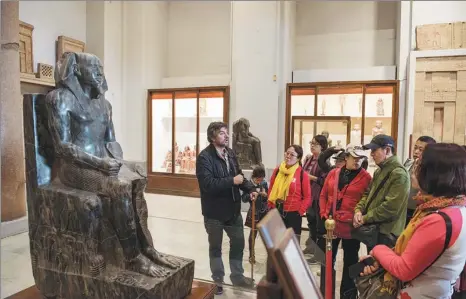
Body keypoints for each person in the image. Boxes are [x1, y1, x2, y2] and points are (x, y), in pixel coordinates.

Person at [360, 143, 466, 299]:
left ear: (435, 173)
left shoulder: (439, 220)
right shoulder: (453, 208)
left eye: (420, 165)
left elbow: (404, 269)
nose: (414, 170)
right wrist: (385, 258)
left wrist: (378, 250)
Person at [196, 122, 258, 294]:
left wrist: (250, 189)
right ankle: (218, 281)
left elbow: (239, 175)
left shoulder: (230, 153)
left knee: (238, 243)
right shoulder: (204, 158)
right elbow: (207, 184)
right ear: (212, 136)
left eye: (226, 133)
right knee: (215, 248)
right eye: (222, 133)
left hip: (233, 211)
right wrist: (231, 181)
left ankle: (237, 276)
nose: (227, 136)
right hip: (214, 213)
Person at [320, 145, 372, 299]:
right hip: (330, 226)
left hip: (352, 228)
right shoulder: (333, 173)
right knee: (326, 261)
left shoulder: (367, 178)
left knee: (351, 263)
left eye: (360, 158)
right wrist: (323, 213)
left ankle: (348, 296)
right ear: (346, 157)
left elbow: (367, 202)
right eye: (354, 157)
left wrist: (359, 216)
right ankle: (325, 293)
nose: (357, 161)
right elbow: (323, 195)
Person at [353, 134, 410, 252]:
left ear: (387, 150)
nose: (372, 154)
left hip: (387, 233)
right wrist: (358, 210)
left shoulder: (399, 174)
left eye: (374, 150)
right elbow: (368, 194)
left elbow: (391, 208)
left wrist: (365, 218)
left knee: (381, 268)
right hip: (375, 230)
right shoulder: (380, 171)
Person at [268, 145, 311, 238]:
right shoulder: (278, 170)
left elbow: (307, 197)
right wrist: (270, 206)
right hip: (277, 210)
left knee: (292, 246)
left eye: (292, 155)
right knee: (277, 245)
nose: (288, 156)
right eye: (287, 153)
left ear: (298, 158)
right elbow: (271, 189)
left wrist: (300, 211)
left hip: (293, 214)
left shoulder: (302, 174)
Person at [302, 135, 328, 256]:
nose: (312, 146)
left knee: (319, 226)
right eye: (311, 143)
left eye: (315, 144)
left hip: (318, 197)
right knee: (311, 223)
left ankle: (318, 253)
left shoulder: (325, 162)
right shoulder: (308, 159)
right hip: (308, 195)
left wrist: (310, 177)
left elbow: (325, 181)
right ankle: (311, 247)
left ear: (322, 147)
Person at [403, 136, 436, 226]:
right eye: (415, 148)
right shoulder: (408, 163)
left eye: (421, 149)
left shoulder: (432, 170)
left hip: (419, 210)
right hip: (403, 209)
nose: (416, 152)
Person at [241, 165, 268, 262]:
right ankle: (251, 255)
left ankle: (271, 256)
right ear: (253, 177)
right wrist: (250, 195)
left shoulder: (264, 183)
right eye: (258, 179)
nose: (260, 181)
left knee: (267, 234)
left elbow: (267, 198)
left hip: (264, 211)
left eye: (261, 179)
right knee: (253, 234)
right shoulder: (248, 184)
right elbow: (243, 199)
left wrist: (265, 195)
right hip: (254, 211)